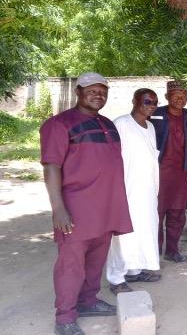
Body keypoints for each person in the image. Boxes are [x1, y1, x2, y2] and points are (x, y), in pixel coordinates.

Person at [40, 72, 133, 335]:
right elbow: (51, 166)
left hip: (106, 207)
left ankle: (88, 301)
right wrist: (58, 208)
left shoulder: (107, 123)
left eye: (103, 91)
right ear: (78, 92)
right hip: (76, 208)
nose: (98, 95)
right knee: (71, 264)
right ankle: (65, 317)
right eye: (91, 90)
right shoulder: (60, 124)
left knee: (96, 260)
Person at [106, 88, 162, 295]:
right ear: (135, 101)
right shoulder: (121, 124)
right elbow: (111, 158)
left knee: (145, 231)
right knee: (123, 235)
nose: (151, 105)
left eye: (155, 102)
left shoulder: (150, 127)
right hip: (126, 188)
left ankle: (134, 271)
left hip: (147, 190)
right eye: (147, 101)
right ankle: (116, 278)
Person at [150, 80, 187, 262]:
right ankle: (154, 252)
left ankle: (172, 250)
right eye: (176, 95)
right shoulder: (155, 114)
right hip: (160, 173)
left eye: (184, 95)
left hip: (181, 173)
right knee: (157, 212)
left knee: (178, 213)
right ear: (167, 97)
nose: (180, 99)